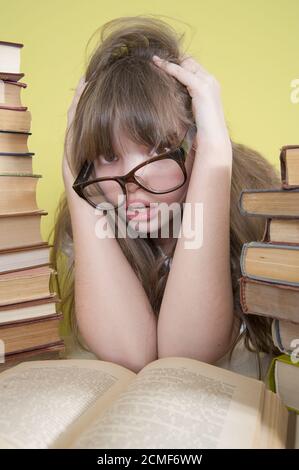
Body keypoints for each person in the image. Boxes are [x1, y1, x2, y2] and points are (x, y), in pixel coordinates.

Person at [50, 15, 281, 377]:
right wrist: (72, 175)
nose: (132, 184)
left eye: (157, 149)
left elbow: (187, 352)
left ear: (195, 141)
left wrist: (216, 160)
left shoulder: (253, 205)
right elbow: (129, 353)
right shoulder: (93, 204)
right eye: (109, 156)